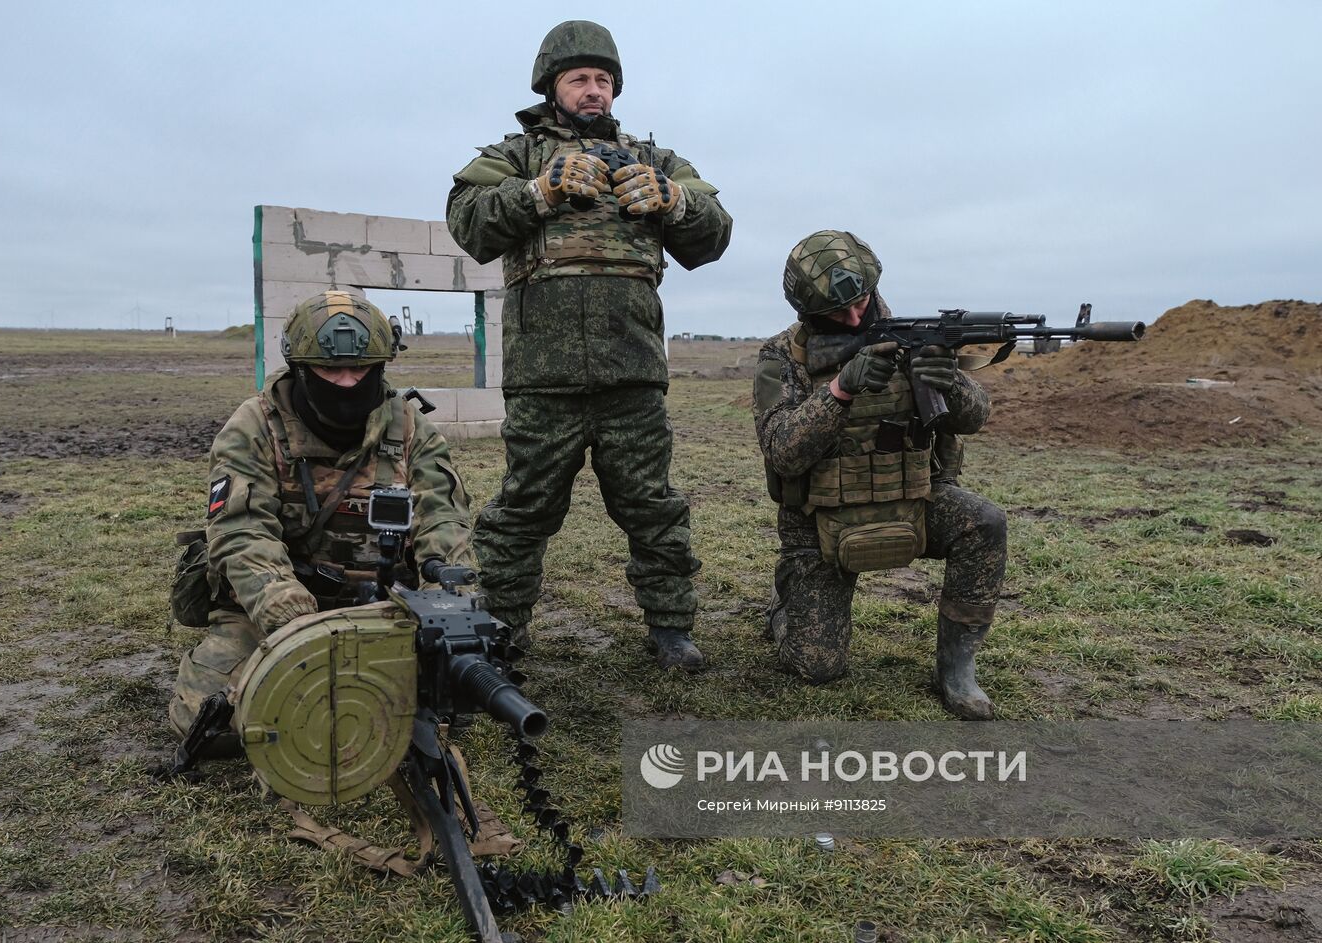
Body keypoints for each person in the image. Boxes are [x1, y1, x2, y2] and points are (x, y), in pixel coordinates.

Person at [445, 20, 732, 669]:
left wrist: (676, 203)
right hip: (543, 376)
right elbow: (468, 221)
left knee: (652, 506)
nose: (594, 89)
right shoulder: (514, 156)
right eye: (579, 78)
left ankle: (670, 627)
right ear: (552, 87)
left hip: (633, 372)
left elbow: (714, 234)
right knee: (524, 507)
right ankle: (504, 626)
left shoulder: (655, 161)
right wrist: (539, 192)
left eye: (604, 79)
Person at [168, 290, 473, 738]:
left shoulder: (410, 428)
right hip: (279, 609)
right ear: (301, 369)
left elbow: (442, 521)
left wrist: (449, 605)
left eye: (361, 369)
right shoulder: (254, 427)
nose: (347, 383)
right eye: (331, 370)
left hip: (386, 605)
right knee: (207, 718)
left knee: (437, 703)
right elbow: (242, 530)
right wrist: (289, 616)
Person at [752, 231, 1007, 719]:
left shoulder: (912, 338)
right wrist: (839, 392)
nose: (854, 318)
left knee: (985, 523)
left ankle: (957, 668)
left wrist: (950, 383)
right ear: (808, 310)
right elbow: (783, 452)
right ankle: (787, 602)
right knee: (818, 668)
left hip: (911, 500)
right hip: (820, 523)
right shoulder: (783, 356)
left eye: (861, 302)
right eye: (837, 312)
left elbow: (974, 419)